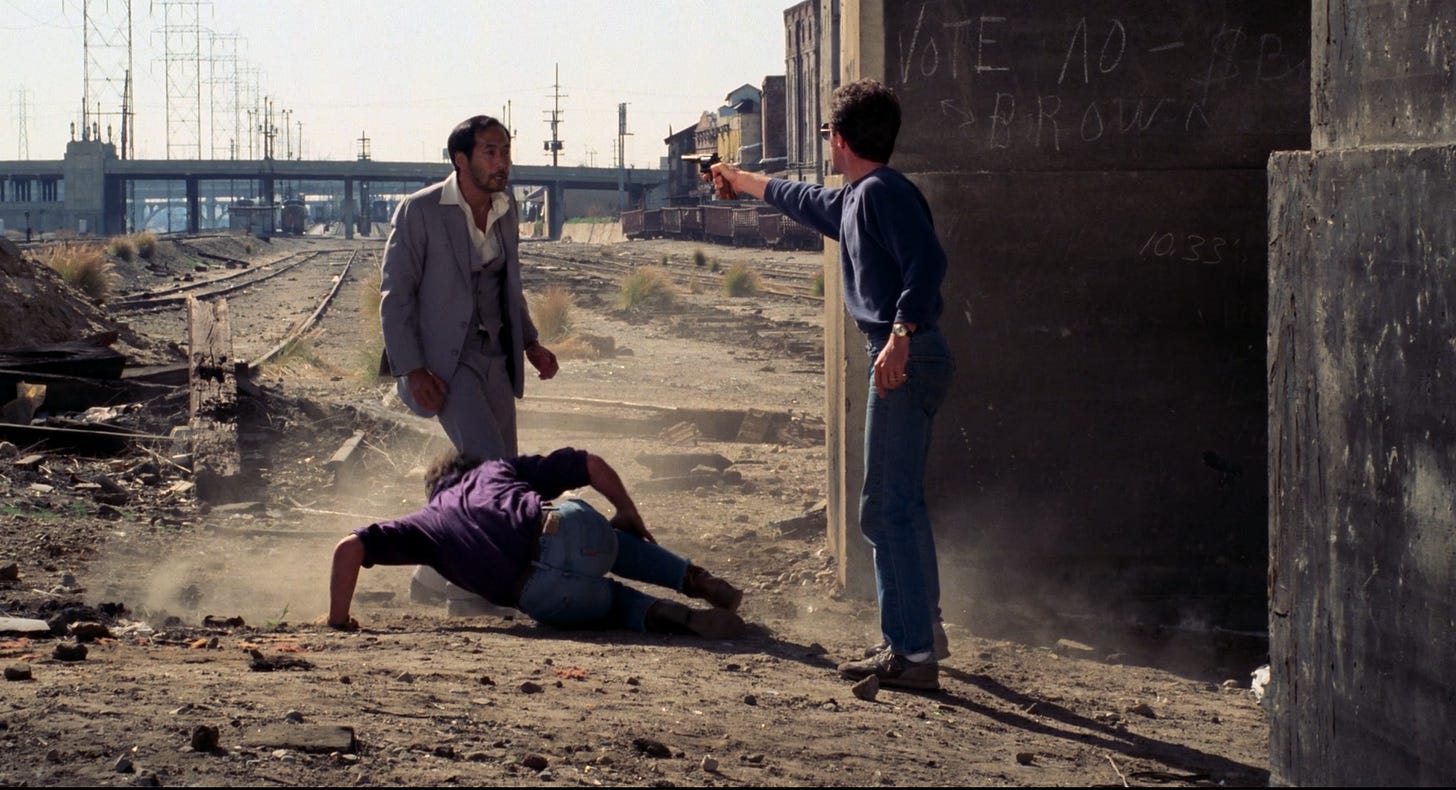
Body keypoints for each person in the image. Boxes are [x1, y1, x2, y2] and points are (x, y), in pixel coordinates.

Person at [709, 79, 955, 691]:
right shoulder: (860, 198)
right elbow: (801, 198)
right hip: (910, 352)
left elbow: (929, 263)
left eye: (826, 133)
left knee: (884, 509)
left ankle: (911, 655)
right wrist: (738, 179)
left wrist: (899, 333)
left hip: (902, 354)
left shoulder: (880, 193)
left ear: (839, 139)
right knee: (903, 504)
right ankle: (922, 633)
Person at [379, 114, 559, 617]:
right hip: (443, 364)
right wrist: (412, 369)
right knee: (489, 468)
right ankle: (468, 593)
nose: (502, 162)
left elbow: (509, 286)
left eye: (505, 151)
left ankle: (430, 573)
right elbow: (396, 297)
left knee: (505, 469)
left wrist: (530, 343)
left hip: (495, 355)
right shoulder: (419, 211)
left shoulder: (506, 208)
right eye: (489, 152)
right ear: (461, 160)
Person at [327, 447, 747, 640]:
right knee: (614, 543)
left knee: (614, 605)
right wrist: (626, 509)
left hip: (541, 593)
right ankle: (695, 578)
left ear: (433, 491)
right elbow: (590, 463)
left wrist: (338, 620)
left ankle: (661, 614)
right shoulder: (495, 470)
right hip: (563, 527)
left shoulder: (425, 524)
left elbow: (349, 547)